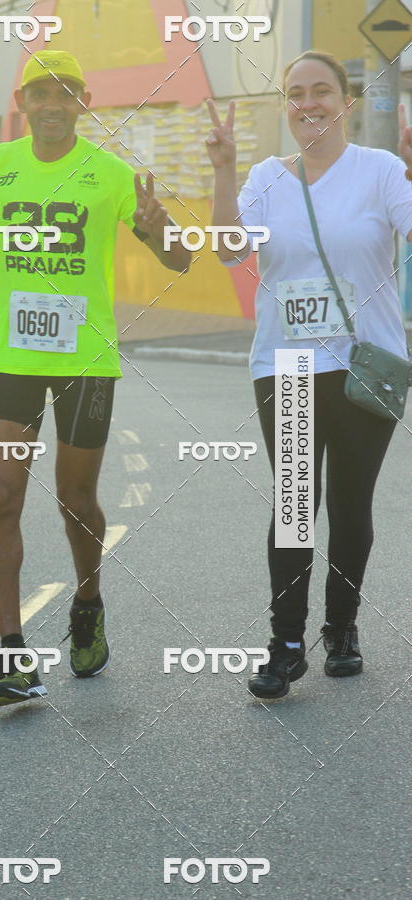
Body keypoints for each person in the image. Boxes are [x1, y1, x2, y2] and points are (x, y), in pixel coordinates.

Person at [0, 50, 191, 707]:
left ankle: (87, 601)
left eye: (65, 92)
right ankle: (12, 654)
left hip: (86, 361)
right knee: (1, 494)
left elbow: (178, 260)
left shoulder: (110, 173)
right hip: (10, 358)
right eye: (40, 93)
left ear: (83, 100)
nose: (53, 104)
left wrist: (156, 228)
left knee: (75, 502)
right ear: (22, 104)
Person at [208, 51, 412, 699]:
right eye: (295, 93)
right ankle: (286, 643)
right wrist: (222, 173)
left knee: (350, 505)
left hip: (365, 366)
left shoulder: (380, 171)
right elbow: (229, 247)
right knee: (295, 504)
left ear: (346, 101)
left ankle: (342, 628)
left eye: (321, 90)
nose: (308, 103)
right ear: (285, 107)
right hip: (286, 364)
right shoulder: (266, 178)